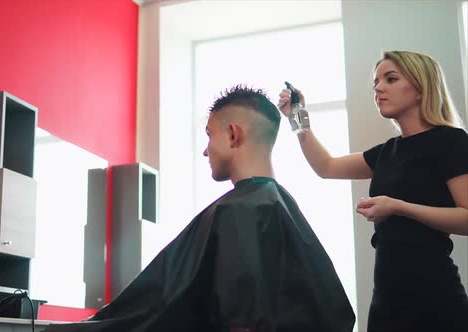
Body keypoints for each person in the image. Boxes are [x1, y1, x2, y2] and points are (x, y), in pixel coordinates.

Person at [44, 85, 355, 332]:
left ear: (233, 134)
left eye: (209, 135)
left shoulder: (240, 212)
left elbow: (234, 318)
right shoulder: (279, 206)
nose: (205, 150)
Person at [277, 50, 468, 332]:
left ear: (420, 88)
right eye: (376, 83)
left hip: (435, 296)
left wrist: (398, 206)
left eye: (390, 79)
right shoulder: (386, 152)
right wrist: (298, 117)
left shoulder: (450, 141)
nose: (378, 88)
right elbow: (326, 167)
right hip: (387, 297)